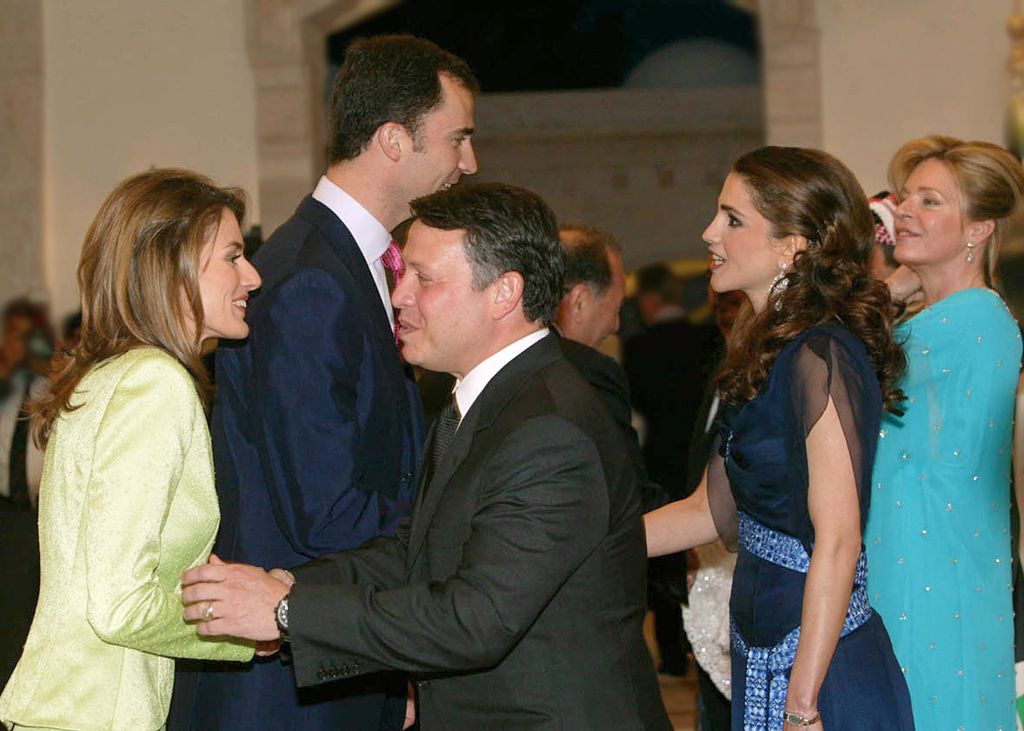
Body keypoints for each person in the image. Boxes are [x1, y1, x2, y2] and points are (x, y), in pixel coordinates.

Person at [178, 182, 672, 731]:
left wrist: (287, 612)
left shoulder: (549, 431)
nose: (398, 295)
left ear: (504, 293)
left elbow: (473, 620)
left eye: (425, 279)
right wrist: (288, 586)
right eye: (400, 274)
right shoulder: (491, 399)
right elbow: (416, 552)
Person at [169, 35, 477, 730]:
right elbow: (326, 510)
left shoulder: (347, 262)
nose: (469, 161)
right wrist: (464, 525)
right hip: (286, 691)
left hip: (325, 661)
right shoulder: (312, 279)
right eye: (457, 137)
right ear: (395, 140)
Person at [644, 146, 914, 730]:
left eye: (733, 219)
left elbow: (838, 540)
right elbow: (710, 511)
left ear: (793, 245)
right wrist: (586, 540)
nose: (709, 232)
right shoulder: (765, 345)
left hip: (820, 669)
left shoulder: (823, 354)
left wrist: (803, 706)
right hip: (762, 644)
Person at [0, 168, 260, 730]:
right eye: (232, 257)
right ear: (174, 266)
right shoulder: (155, 384)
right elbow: (120, 605)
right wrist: (249, 626)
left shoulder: (113, 373)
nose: (253, 276)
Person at [864, 135, 1024, 730]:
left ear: (978, 229)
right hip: (907, 559)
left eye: (930, 201)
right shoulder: (931, 322)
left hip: (933, 572)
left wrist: (891, 290)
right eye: (906, 198)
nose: (904, 210)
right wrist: (900, 289)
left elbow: (822, 349)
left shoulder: (973, 321)